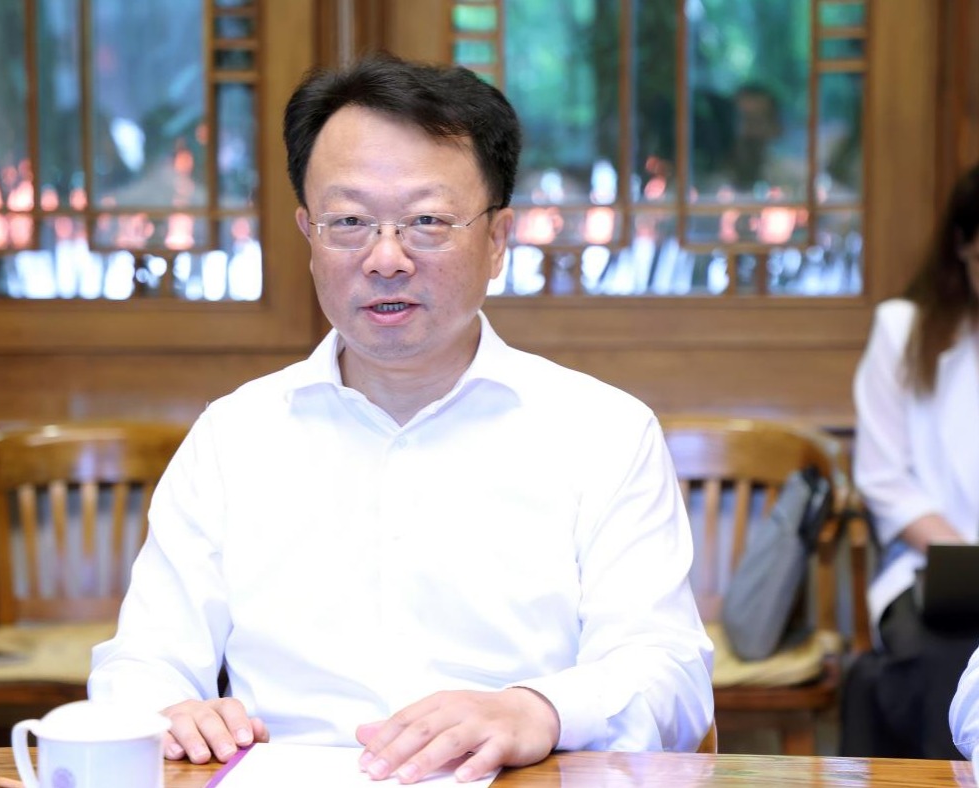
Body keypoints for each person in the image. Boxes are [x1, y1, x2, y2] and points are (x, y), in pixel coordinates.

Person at [89, 54, 714, 783]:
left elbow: (668, 675)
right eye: (349, 222)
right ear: (308, 235)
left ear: (498, 239)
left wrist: (538, 710)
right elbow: (143, 662)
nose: (386, 258)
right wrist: (168, 710)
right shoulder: (234, 437)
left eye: (427, 222)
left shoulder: (602, 432)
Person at [840, 162, 979, 758]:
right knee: (939, 663)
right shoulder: (905, 331)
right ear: (964, 247)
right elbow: (883, 478)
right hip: (934, 576)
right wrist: (967, 560)